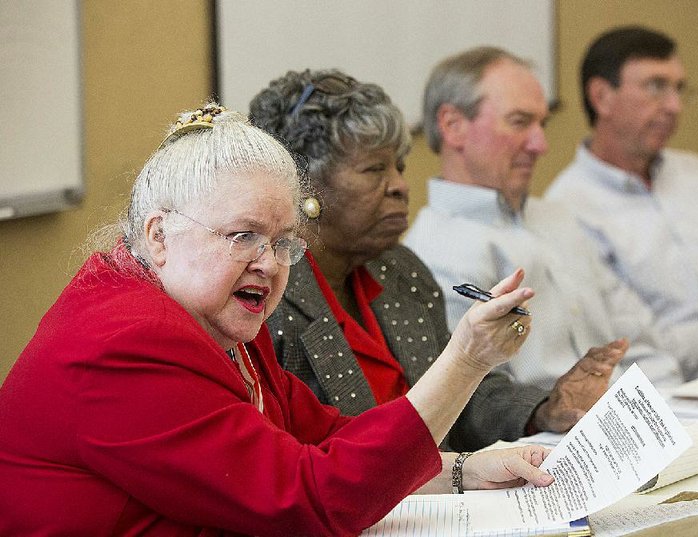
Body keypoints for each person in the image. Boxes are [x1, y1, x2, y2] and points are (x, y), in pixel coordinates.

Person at [0, 104, 558, 536]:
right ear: (158, 236)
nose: (267, 264)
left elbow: (329, 442)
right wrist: (465, 360)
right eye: (243, 236)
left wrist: (466, 471)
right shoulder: (124, 343)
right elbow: (314, 500)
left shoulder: (214, 318)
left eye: (284, 242)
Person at [248, 69, 626, 449]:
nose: (399, 185)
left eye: (399, 167)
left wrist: (543, 410)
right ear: (301, 183)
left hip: (446, 494)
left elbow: (462, 395)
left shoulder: (399, 269)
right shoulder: (270, 299)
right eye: (375, 169)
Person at [404, 46, 683, 391]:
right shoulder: (433, 253)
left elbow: (636, 333)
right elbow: (485, 403)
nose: (540, 145)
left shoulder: (558, 217)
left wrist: (678, 409)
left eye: (542, 123)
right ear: (453, 126)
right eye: (520, 122)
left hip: (646, 409)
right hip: (550, 436)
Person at [545, 26, 698, 380]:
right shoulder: (569, 210)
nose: (674, 106)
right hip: (697, 380)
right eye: (656, 87)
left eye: (678, 89)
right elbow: (647, 351)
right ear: (602, 97)